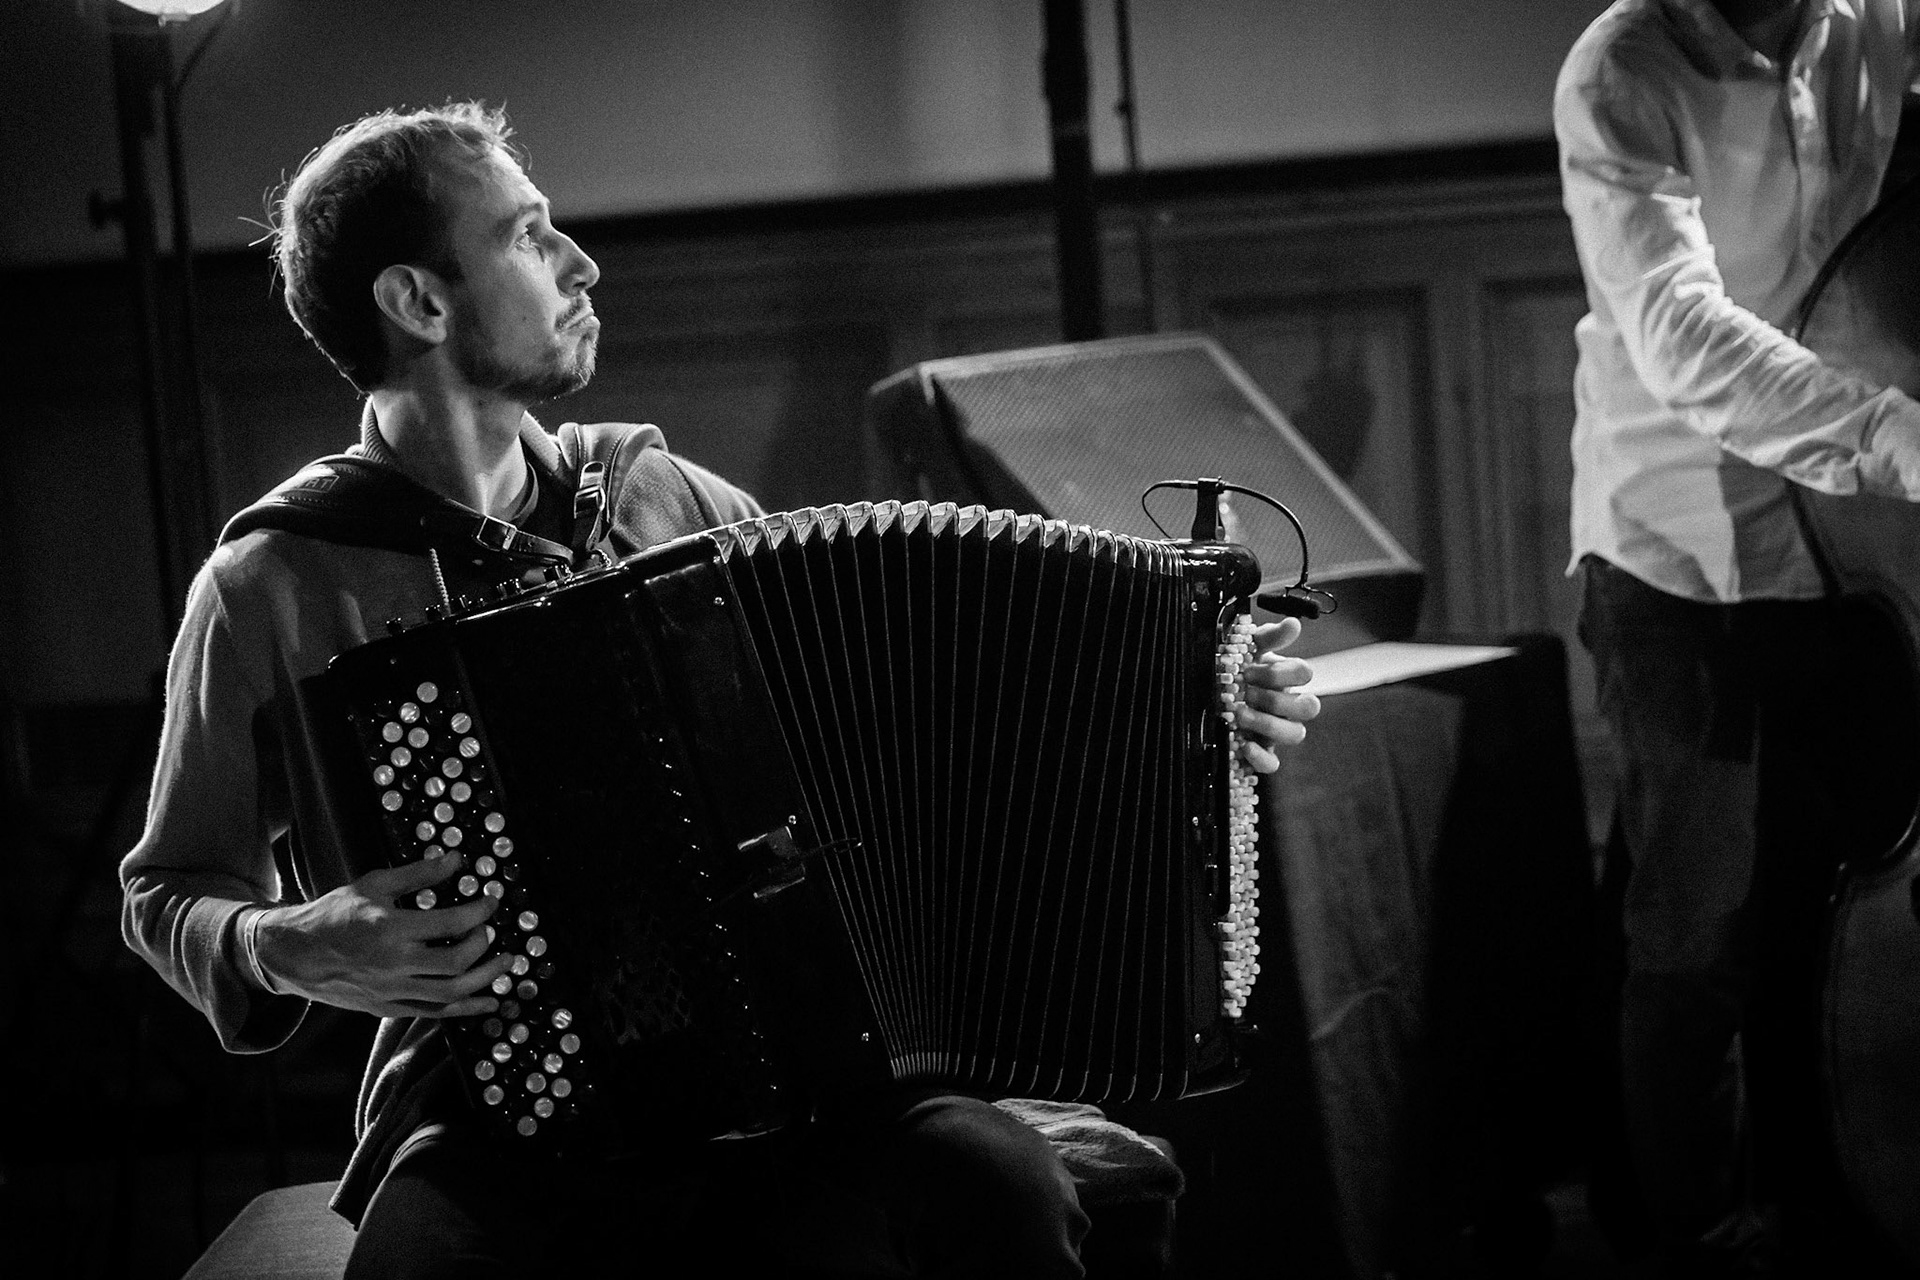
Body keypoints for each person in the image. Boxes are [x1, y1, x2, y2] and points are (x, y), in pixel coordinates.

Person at [118, 102, 1322, 1278]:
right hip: (497, 1110)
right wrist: (285, 942)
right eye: (528, 235)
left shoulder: (668, 502)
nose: (581, 263)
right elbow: (168, 888)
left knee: (995, 1182)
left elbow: (908, 746)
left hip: (805, 1067)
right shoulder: (274, 581)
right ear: (418, 302)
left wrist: (1189, 708)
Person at [1556, 1, 1920, 1275]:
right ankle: (1697, 1241)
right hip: (1679, 560)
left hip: (1864, 554)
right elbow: (1682, 333)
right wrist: (1894, 431)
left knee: (1844, 921)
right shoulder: (1620, 74)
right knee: (1695, 941)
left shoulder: (1883, 21)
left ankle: (1849, 1209)